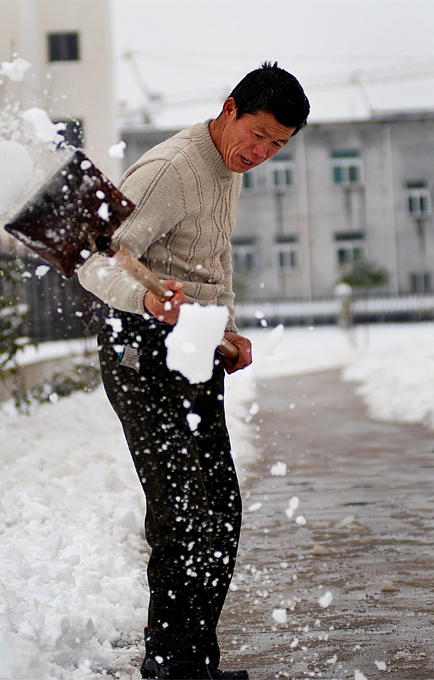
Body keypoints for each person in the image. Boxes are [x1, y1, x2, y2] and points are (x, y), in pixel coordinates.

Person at [77, 62, 310, 680]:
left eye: (277, 145)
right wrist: (147, 299)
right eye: (257, 134)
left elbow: (209, 261)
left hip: (193, 348)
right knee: (181, 511)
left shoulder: (228, 166)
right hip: (138, 351)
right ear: (229, 108)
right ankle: (168, 664)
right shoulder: (169, 171)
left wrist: (226, 330)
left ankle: (193, 662)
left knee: (221, 510)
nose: (261, 152)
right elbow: (91, 264)